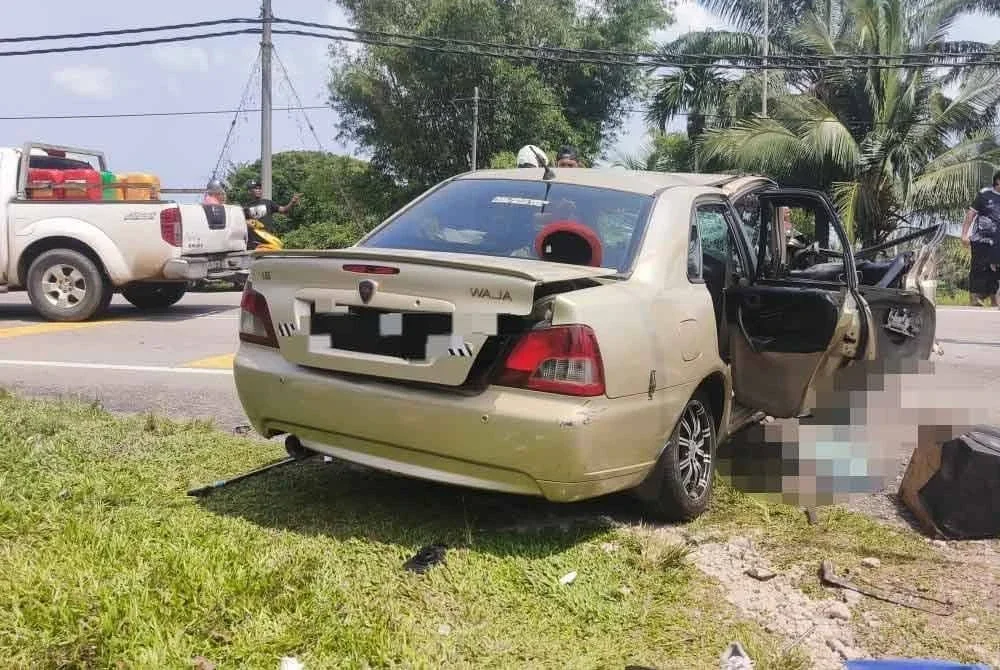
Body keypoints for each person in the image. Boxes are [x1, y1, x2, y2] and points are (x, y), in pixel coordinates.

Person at [961, 171, 1000, 306]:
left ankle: (994, 300)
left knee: (995, 271)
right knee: (978, 269)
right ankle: (974, 299)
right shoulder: (984, 194)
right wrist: (964, 234)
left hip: (998, 242)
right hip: (981, 239)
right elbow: (971, 214)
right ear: (998, 181)